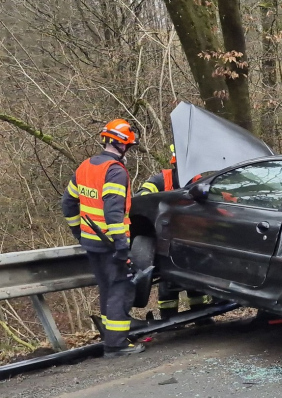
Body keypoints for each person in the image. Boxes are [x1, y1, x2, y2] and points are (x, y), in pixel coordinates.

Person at [61, 119, 145, 356]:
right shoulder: (115, 171)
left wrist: (78, 233)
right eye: (128, 146)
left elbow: (68, 203)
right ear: (122, 144)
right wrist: (121, 246)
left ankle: (112, 336)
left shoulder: (85, 166)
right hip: (110, 243)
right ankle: (116, 345)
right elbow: (113, 212)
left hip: (91, 242)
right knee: (120, 287)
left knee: (107, 288)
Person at [137, 144, 214, 319]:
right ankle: (169, 319)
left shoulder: (200, 181)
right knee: (168, 285)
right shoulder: (161, 180)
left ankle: (201, 319)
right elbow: (142, 196)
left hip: (193, 240)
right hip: (168, 240)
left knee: (196, 284)